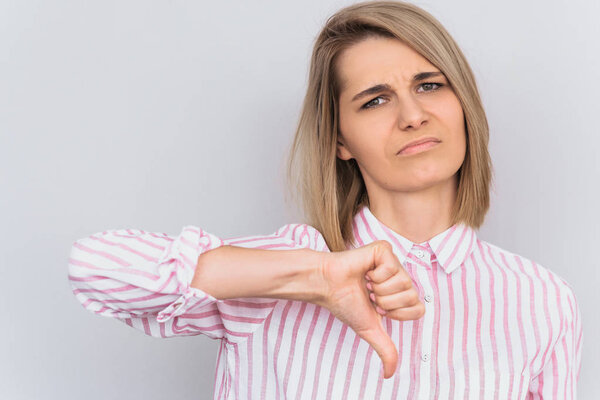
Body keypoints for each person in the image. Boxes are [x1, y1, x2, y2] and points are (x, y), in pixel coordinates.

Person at [67, 1, 582, 399]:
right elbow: (94, 266)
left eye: (430, 85)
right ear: (339, 140)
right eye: (375, 99)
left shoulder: (542, 301)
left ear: (463, 105)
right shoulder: (282, 268)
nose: (412, 115)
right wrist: (311, 278)